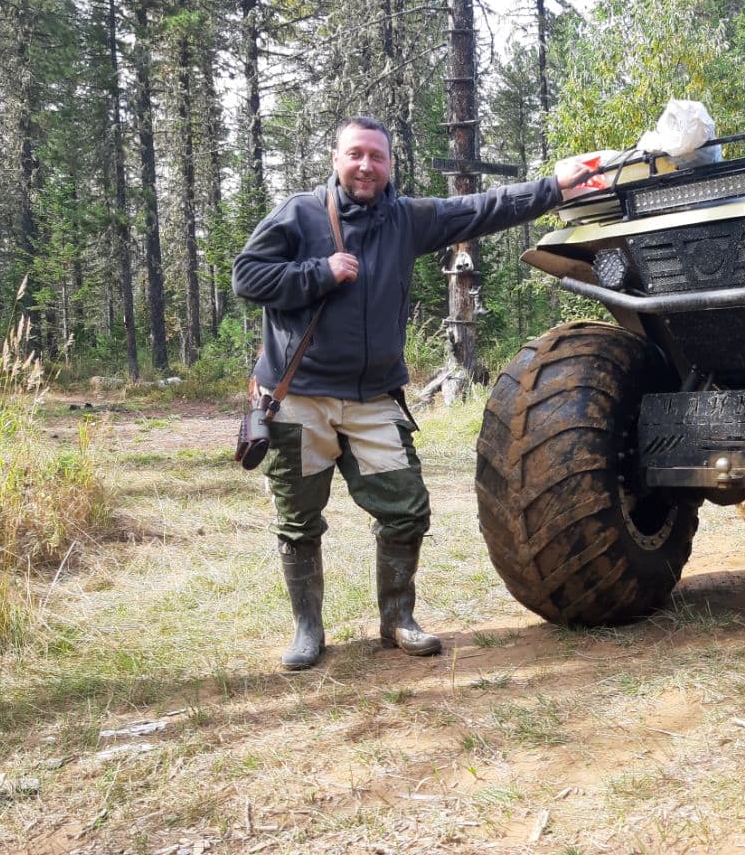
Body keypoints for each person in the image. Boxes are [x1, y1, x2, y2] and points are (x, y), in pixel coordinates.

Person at [232, 116, 590, 670]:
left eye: (377, 156)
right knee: (299, 520)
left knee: (406, 510)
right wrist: (319, 272)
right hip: (300, 397)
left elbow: (483, 209)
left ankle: (397, 619)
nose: (366, 166)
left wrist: (556, 187)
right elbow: (247, 276)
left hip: (374, 399)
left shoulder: (405, 219)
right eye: (356, 155)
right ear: (336, 159)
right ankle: (307, 629)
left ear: (390, 164)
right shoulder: (299, 214)